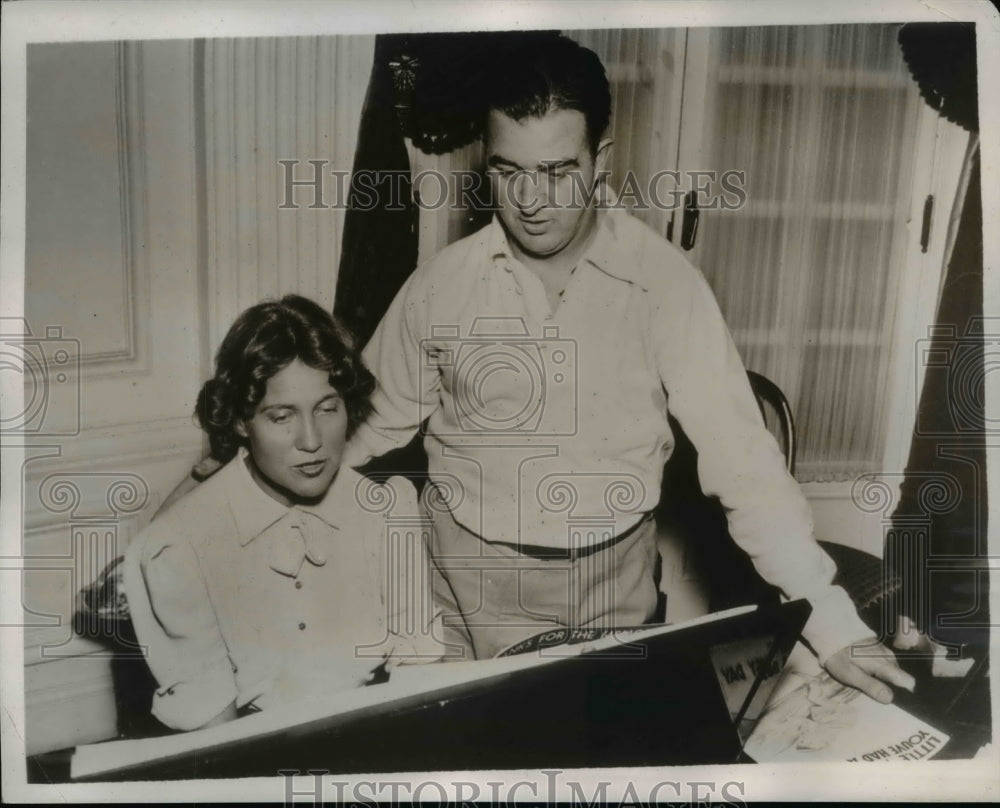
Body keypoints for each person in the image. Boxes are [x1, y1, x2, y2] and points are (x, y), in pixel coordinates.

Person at [342, 35, 915, 702]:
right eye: (508, 170)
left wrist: (834, 621)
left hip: (613, 591)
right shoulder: (439, 287)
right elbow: (363, 426)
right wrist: (236, 485)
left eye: (557, 171)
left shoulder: (665, 286)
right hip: (469, 591)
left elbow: (744, 463)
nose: (530, 199)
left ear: (601, 161)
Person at [122, 295, 442, 732]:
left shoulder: (387, 512)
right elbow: (215, 738)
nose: (312, 440)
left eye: (328, 408)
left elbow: (417, 685)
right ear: (239, 421)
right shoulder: (178, 548)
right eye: (281, 416)